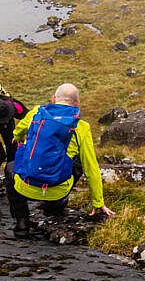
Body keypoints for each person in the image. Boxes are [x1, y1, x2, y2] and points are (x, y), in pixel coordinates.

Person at [6, 83, 113, 238]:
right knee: (78, 162)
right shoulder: (81, 127)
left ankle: (22, 222)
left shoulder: (36, 112)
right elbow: (91, 168)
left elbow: (18, 131)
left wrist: (18, 138)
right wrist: (98, 202)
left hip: (26, 186)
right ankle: (54, 206)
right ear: (77, 102)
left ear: (53, 99)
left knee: (10, 167)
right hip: (58, 190)